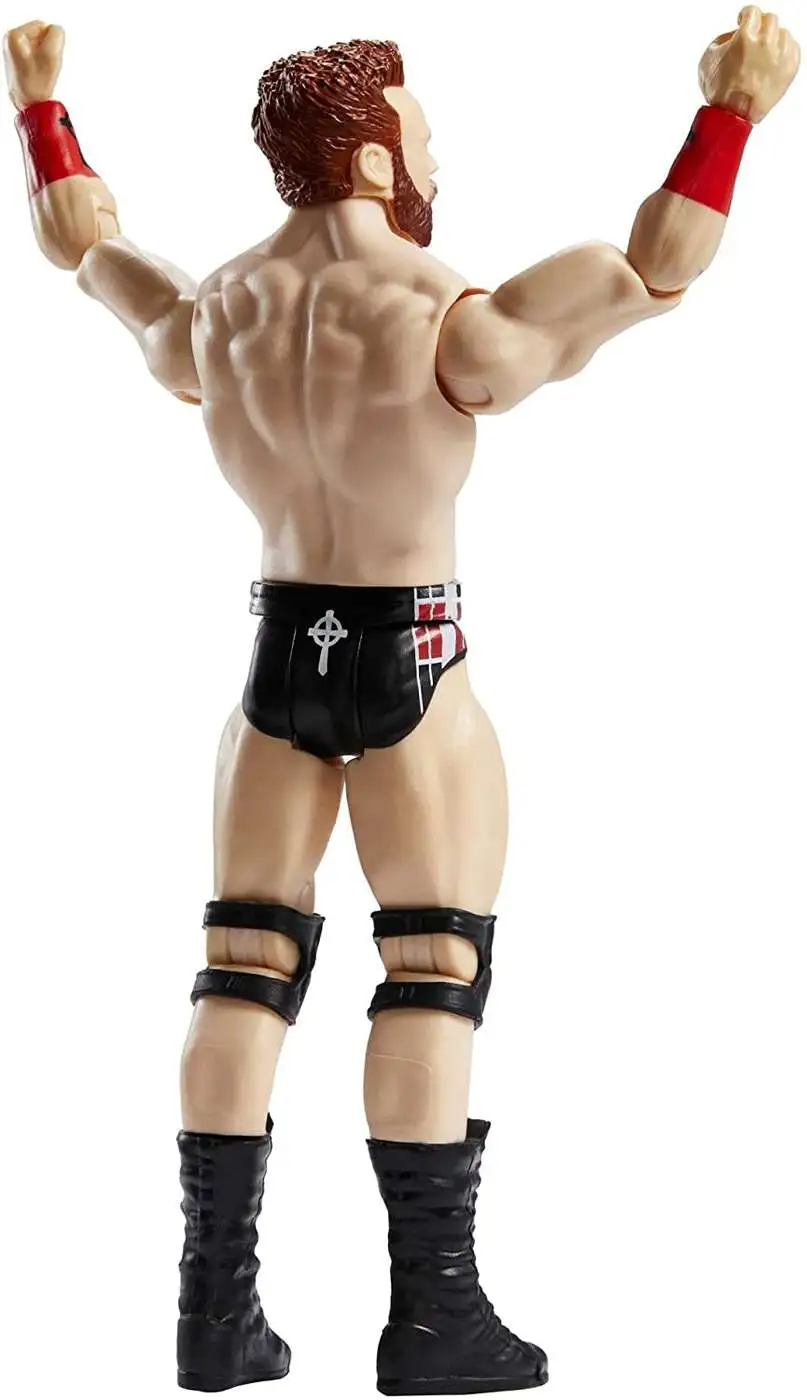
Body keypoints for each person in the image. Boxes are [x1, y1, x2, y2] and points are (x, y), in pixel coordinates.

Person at [4, 10, 800, 1395]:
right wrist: (732, 111)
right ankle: (434, 1320)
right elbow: (654, 268)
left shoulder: (218, 316)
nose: (437, 160)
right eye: (423, 141)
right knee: (433, 968)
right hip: (410, 661)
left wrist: (41, 114)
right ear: (375, 160)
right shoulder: (444, 315)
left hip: (277, 663)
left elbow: (84, 249)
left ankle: (212, 1318)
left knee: (243, 964)